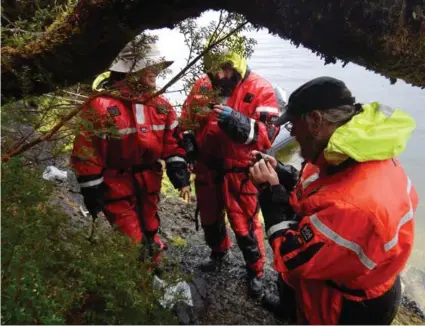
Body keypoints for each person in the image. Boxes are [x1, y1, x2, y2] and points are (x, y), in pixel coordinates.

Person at [249, 76, 418, 324]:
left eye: (295, 125)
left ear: (316, 120)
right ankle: (288, 309)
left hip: (349, 306)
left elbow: (291, 256)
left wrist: (269, 191)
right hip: (357, 277)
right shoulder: (354, 153)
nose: (292, 133)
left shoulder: (353, 206)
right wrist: (283, 175)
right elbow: (323, 189)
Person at [71, 36, 190, 264]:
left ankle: (153, 260)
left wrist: (180, 176)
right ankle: (140, 285)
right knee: (131, 241)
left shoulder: (161, 106)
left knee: (150, 226)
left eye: (156, 66)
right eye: (150, 65)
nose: (156, 70)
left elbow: (172, 144)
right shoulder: (101, 106)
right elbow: (87, 152)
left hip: (150, 182)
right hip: (116, 185)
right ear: (130, 70)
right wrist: (92, 190)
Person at [180, 42, 281, 297]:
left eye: (226, 69)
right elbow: (187, 120)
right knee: (210, 218)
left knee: (245, 224)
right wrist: (189, 143)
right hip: (207, 168)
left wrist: (243, 125)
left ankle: (256, 270)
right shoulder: (203, 86)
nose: (221, 75)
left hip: (240, 171)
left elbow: (269, 134)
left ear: (237, 66)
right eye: (216, 69)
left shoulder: (260, 89)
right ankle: (218, 252)